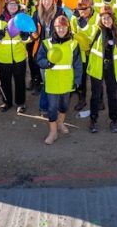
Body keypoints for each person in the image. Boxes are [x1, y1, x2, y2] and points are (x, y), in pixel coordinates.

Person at [36, 14, 83, 145]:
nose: (61, 29)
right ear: (54, 28)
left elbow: (78, 64)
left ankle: (60, 123)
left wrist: (77, 80)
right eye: (58, 27)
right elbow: (39, 59)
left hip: (67, 81)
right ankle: (53, 132)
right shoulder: (46, 43)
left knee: (64, 105)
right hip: (52, 81)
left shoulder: (73, 44)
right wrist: (48, 63)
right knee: (52, 107)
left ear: (68, 28)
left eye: (64, 27)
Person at [85, 5, 117, 133]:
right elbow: (86, 31)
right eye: (103, 18)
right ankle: (93, 120)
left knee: (112, 96)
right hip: (97, 67)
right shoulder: (96, 30)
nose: (106, 20)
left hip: (112, 68)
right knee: (95, 96)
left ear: (113, 18)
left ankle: (114, 120)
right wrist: (80, 19)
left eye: (108, 17)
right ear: (100, 19)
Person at [0, 0, 32, 113]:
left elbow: (29, 38)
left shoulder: (23, 19)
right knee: (4, 81)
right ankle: (6, 102)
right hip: (2, 57)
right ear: (6, 5)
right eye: (11, 4)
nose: (13, 6)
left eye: (15, 4)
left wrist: (26, 37)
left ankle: (21, 103)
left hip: (19, 57)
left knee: (20, 81)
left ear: (19, 6)